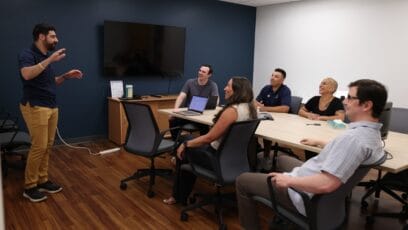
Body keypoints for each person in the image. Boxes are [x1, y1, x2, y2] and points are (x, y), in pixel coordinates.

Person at [236, 79, 387, 230]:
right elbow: (350, 151)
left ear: (367, 105)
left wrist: (288, 181)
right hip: (321, 184)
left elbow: (327, 183)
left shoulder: (352, 140)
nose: (345, 102)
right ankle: (283, 218)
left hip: (306, 195)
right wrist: (321, 142)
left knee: (243, 180)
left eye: (350, 97)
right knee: (282, 159)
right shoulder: (373, 135)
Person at [163, 77, 257, 205]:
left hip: (216, 158)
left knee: (184, 147)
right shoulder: (251, 109)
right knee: (189, 140)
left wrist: (185, 145)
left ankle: (178, 197)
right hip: (236, 159)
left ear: (237, 90)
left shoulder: (232, 111)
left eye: (228, 86)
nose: (225, 88)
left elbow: (209, 138)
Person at [18, 23, 83, 202]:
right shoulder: (28, 54)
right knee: (38, 146)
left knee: (47, 145)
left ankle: (42, 179)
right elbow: (27, 75)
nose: (57, 39)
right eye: (53, 36)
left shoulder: (45, 57)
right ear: (41, 37)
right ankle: (30, 187)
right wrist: (49, 60)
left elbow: (50, 82)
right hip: (35, 106)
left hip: (51, 106)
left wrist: (65, 76)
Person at [169, 64, 219, 140]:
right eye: (200, 70)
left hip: (202, 114)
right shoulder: (190, 82)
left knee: (205, 126)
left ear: (209, 75)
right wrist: (175, 109)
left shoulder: (213, 85)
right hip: (189, 112)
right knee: (172, 120)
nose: (200, 73)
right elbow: (181, 96)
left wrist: (215, 103)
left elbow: (216, 100)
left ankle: (202, 146)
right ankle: (175, 143)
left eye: (203, 72)